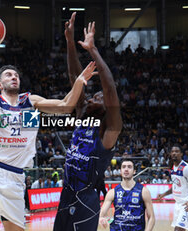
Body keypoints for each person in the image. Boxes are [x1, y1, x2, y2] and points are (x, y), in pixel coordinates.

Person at [0, 25, 97, 231]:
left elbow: (65, 106)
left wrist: (79, 82)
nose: (14, 77)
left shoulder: (31, 102)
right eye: (8, 75)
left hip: (16, 177)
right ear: (0, 84)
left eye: (16, 75)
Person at [53, 13, 122, 231]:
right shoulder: (84, 115)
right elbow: (77, 80)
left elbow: (110, 88)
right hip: (66, 195)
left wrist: (92, 50)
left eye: (98, 97)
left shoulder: (110, 130)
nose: (93, 96)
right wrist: (70, 43)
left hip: (85, 201)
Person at [99, 159, 155, 231]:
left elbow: (152, 217)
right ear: (120, 171)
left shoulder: (143, 191)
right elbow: (102, 213)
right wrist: (101, 218)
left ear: (134, 171)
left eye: (129, 167)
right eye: (124, 167)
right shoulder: (112, 192)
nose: (126, 169)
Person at [158, 145, 188, 231]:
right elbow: (175, 186)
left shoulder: (186, 169)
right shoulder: (173, 168)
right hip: (178, 203)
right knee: (179, 228)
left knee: (178, 229)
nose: (174, 153)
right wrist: (164, 194)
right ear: (170, 154)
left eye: (177, 151)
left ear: (181, 154)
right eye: (173, 151)